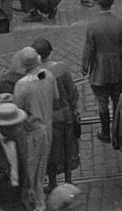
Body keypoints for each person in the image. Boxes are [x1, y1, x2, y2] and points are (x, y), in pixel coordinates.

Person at [30, 38, 81, 193]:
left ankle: (52, 182)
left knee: (50, 151)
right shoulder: (61, 69)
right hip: (64, 116)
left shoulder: (33, 75)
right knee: (67, 147)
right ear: (50, 52)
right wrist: (74, 109)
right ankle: (68, 180)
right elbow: (72, 92)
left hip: (45, 117)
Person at [11, 47, 56, 211]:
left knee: (32, 170)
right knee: (42, 166)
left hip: (32, 131)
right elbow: (55, 97)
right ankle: (38, 199)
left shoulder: (21, 85)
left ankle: (38, 202)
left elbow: (18, 110)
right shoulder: (49, 75)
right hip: (48, 125)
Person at [81, 0, 122, 144]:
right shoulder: (120, 22)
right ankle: (119, 131)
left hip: (99, 70)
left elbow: (89, 49)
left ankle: (105, 132)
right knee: (117, 100)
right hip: (117, 68)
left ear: (98, 2)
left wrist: (85, 66)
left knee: (102, 102)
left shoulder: (93, 25)